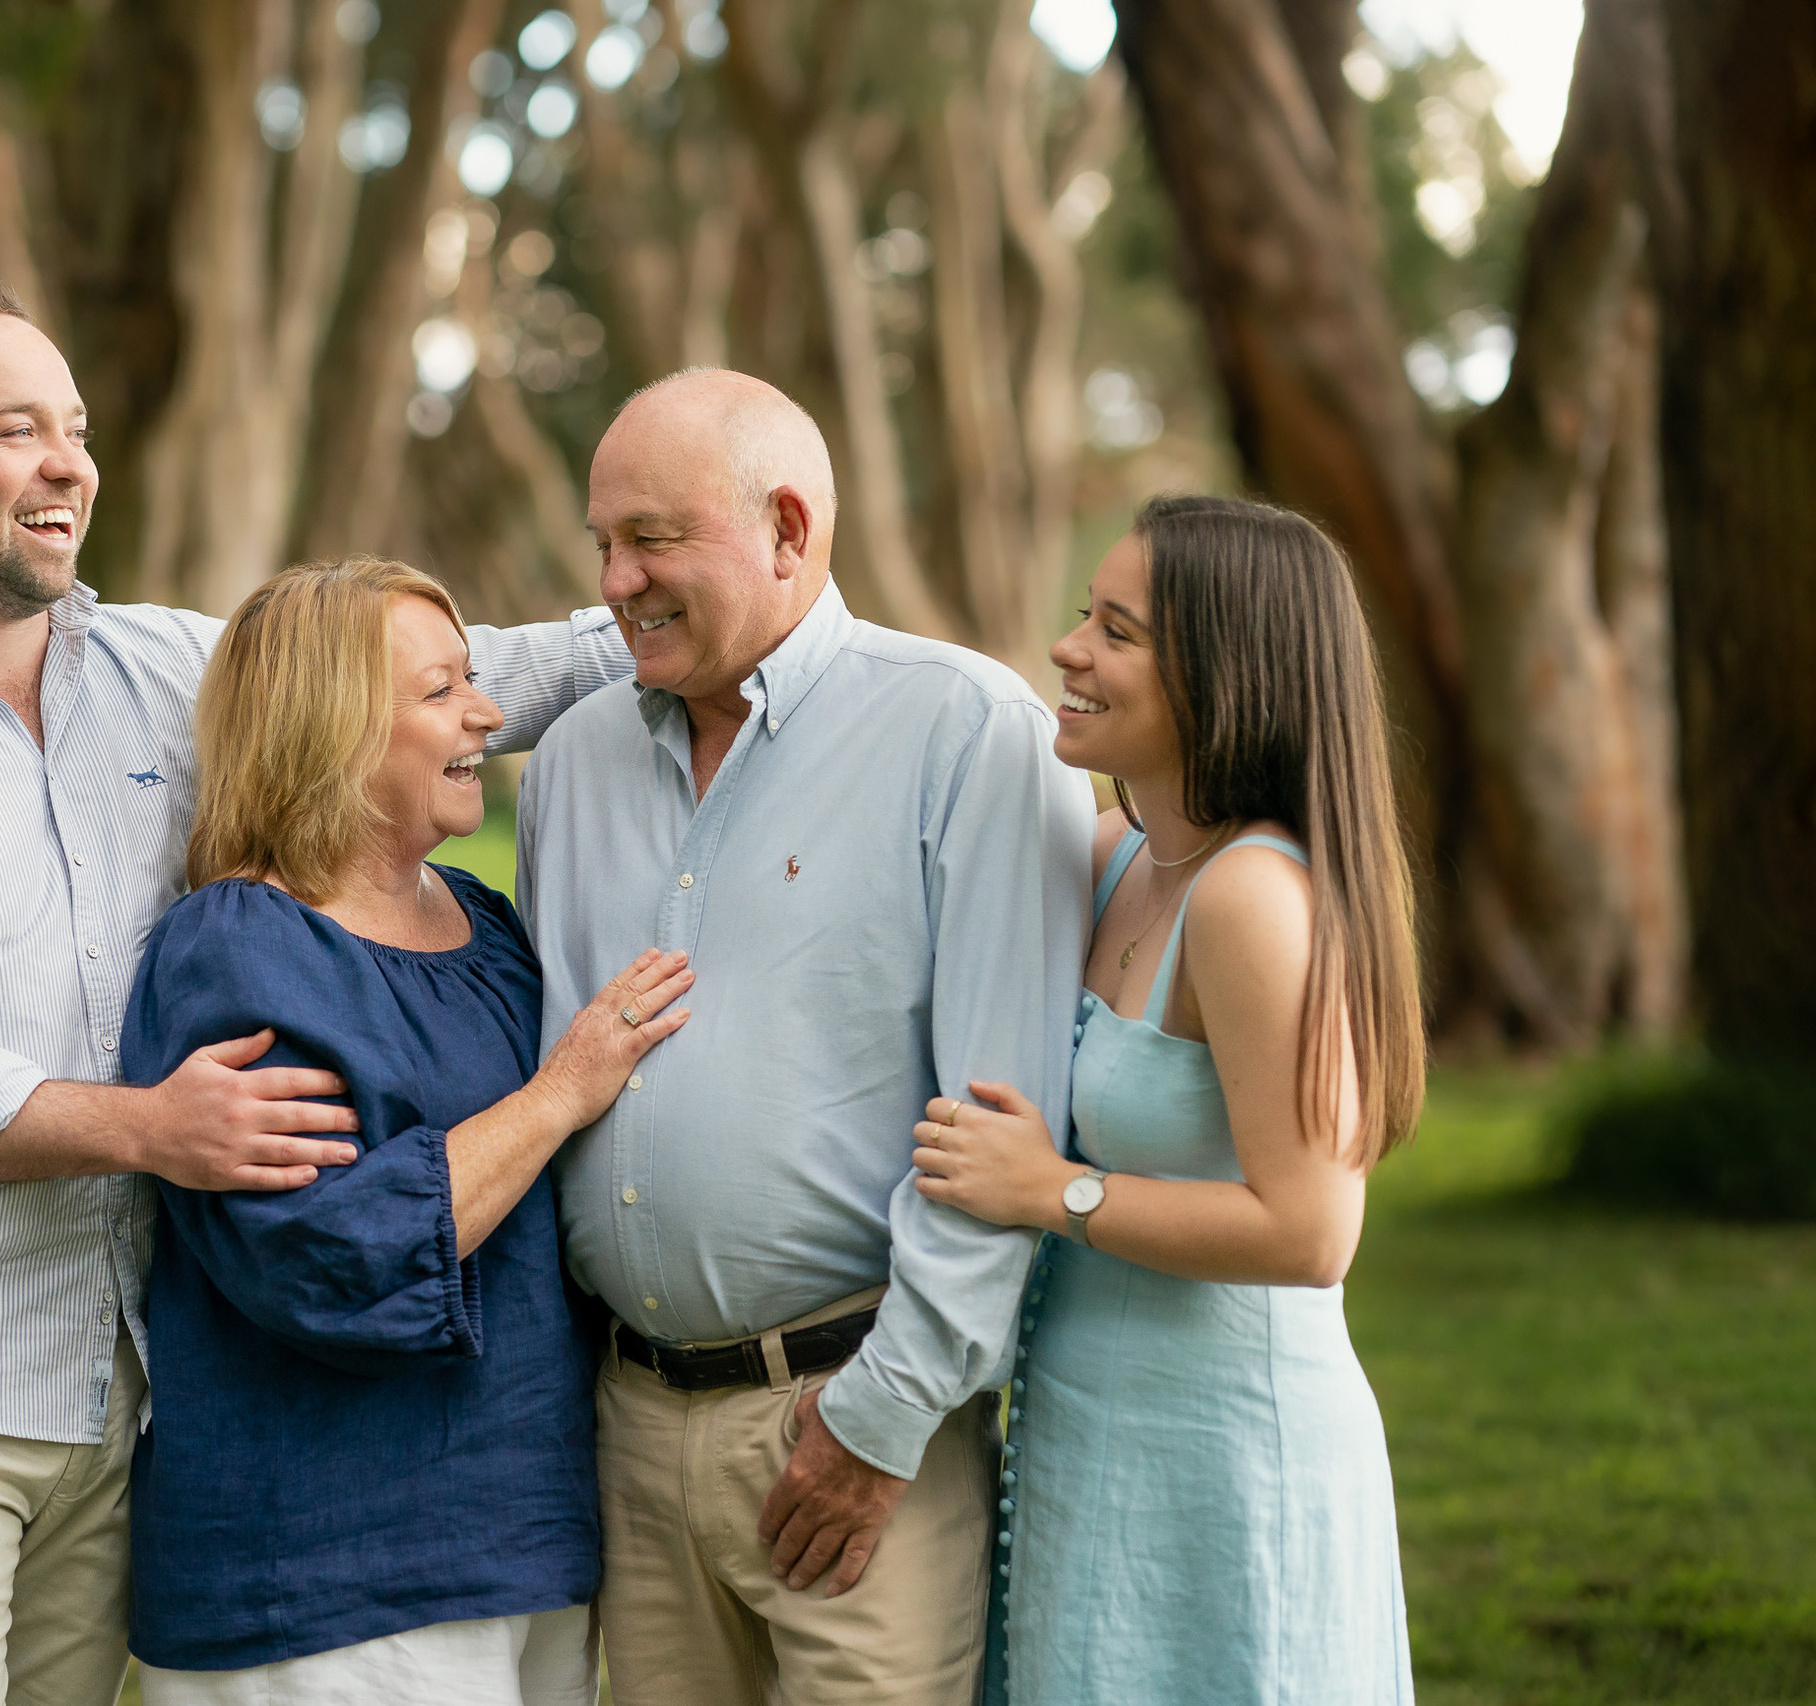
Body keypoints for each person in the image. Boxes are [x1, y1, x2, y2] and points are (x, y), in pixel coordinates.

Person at [0, 268, 629, 1705]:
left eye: (73, 428)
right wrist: (145, 1126)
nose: (67, 462)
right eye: (15, 429)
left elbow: (428, 678)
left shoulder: (165, 667)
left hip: (131, 1385)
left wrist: (675, 605)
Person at [514, 368, 1095, 1704]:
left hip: (853, 1423)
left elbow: (1009, 1120)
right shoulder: (574, 762)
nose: (613, 581)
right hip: (624, 1424)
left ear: (786, 528)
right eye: (602, 541)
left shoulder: (966, 731)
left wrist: (877, 1423)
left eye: (652, 538)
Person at [116, 558, 687, 1702]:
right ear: (330, 728)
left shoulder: (482, 922)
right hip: (328, 1574)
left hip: (523, 1536)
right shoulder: (241, 946)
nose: (485, 713)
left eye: (473, 679)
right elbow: (324, 1249)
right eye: (441, 690)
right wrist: (560, 1090)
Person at [909, 494, 1423, 1705]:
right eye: (1084, 614)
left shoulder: (1251, 897)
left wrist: (1055, 1190)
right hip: (1086, 1431)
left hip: (1226, 1456)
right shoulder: (1116, 856)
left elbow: (1311, 1231)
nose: (1067, 649)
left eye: (1117, 631)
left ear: (1226, 673)